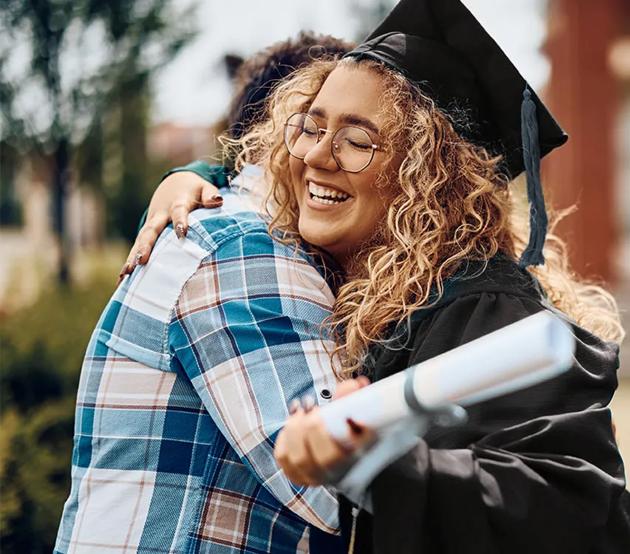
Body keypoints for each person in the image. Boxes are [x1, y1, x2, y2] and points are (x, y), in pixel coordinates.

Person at [129, 0, 630, 551]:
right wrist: (194, 176)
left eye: (357, 140)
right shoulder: (351, 287)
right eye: (310, 128)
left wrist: (385, 465)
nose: (318, 155)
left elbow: (575, 507)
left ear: (430, 176)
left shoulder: (486, 308)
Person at [54, 35, 354, 554]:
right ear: (274, 134)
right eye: (317, 125)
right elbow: (331, 487)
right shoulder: (248, 250)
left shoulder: (233, 231)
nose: (331, 153)